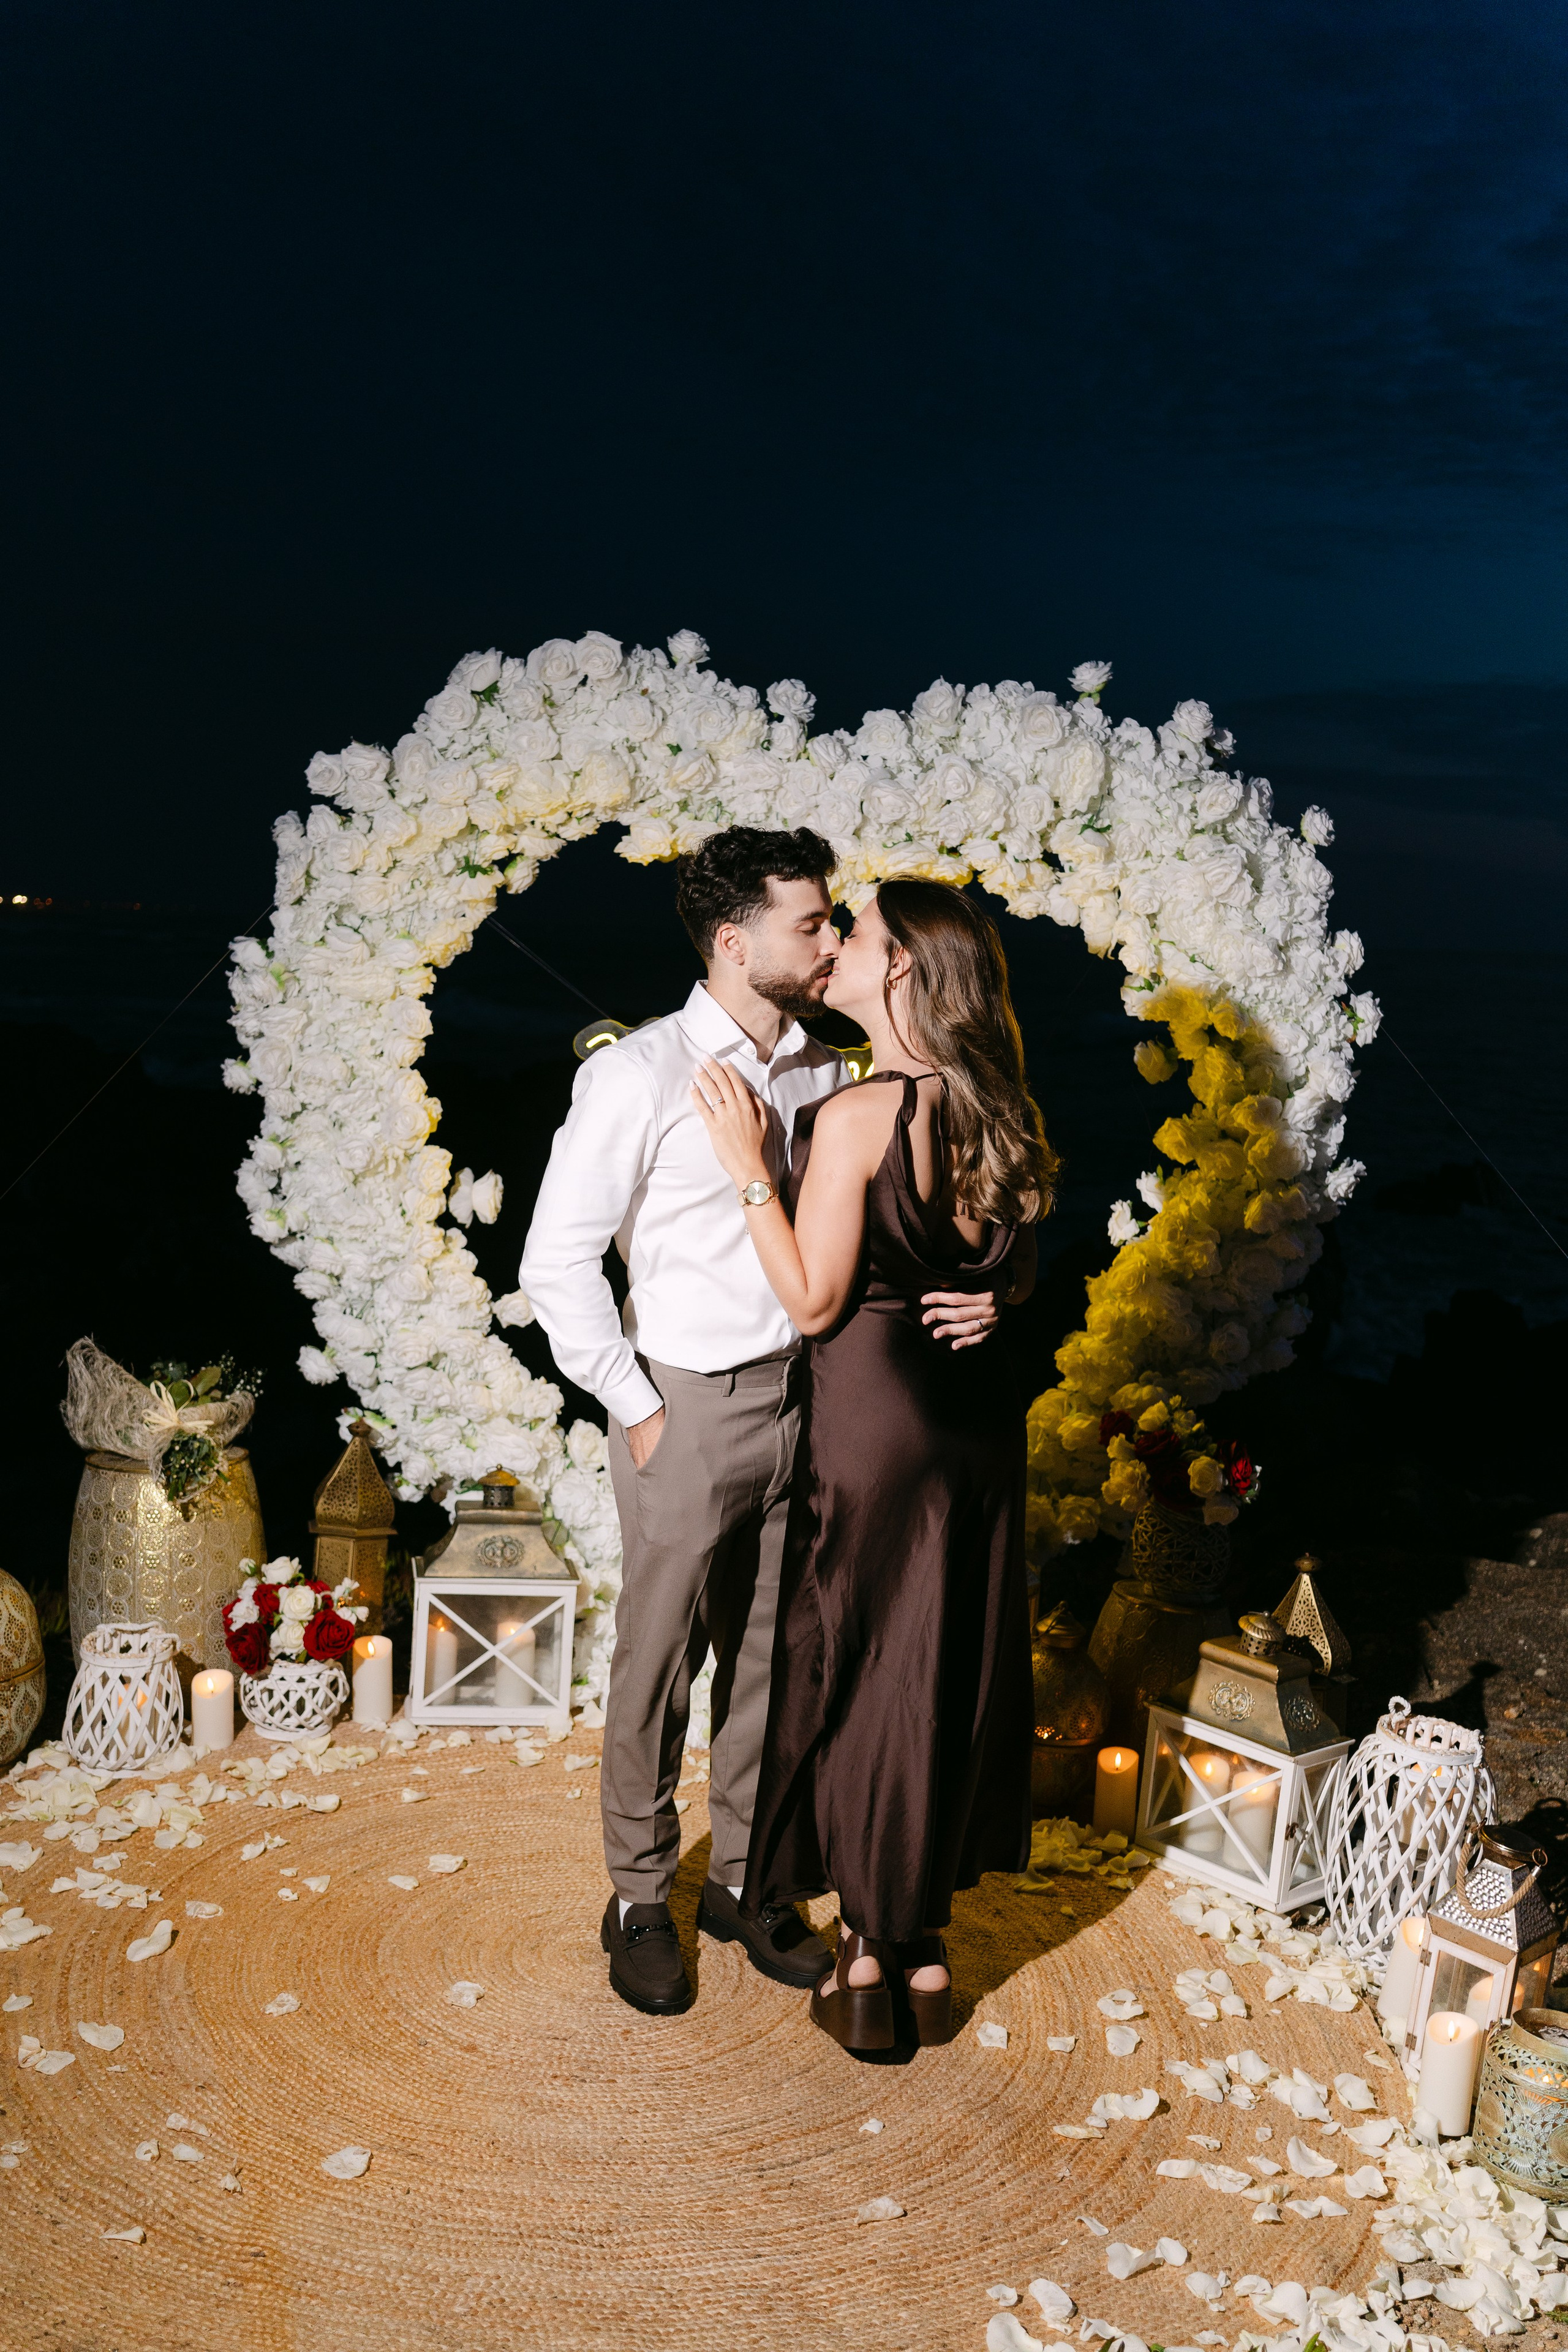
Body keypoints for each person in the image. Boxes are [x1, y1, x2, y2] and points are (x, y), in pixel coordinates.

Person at [518, 829, 1000, 2016]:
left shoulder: (828, 1075)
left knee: (772, 1666)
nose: (832, 940)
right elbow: (555, 1263)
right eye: (811, 924)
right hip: (686, 1407)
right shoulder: (637, 1074)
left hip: (818, 1402)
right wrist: (636, 1409)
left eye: (840, 923)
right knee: (658, 1663)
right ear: (734, 943)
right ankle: (638, 1895)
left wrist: (989, 1288)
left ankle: (746, 1879)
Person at [690, 878, 1054, 2051]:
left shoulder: (856, 1116)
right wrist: (1001, 1301)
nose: (836, 945)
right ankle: (927, 1945)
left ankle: (863, 1950)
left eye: (860, 935)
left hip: (877, 1424)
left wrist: (751, 1160)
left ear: (901, 970)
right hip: (978, 1431)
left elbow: (812, 1299)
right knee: (945, 1660)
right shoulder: (999, 1107)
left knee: (858, 1669)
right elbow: (1023, 1250)